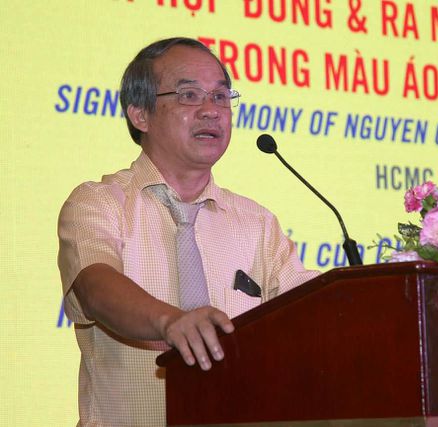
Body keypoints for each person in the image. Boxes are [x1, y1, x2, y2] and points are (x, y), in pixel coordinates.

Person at [57, 37, 319, 427]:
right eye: (189, 95)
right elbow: (95, 287)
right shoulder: (99, 203)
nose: (211, 111)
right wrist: (170, 322)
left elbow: (313, 313)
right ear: (140, 114)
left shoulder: (258, 224)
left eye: (221, 97)